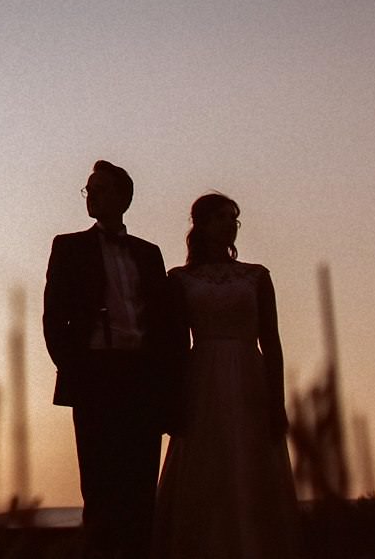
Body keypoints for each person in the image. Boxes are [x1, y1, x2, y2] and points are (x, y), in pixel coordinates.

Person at [150, 192, 303, 559]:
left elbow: (272, 340)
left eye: (233, 219)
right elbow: (174, 345)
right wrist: (176, 400)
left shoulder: (257, 277)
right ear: (201, 226)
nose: (229, 226)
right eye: (220, 218)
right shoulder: (181, 279)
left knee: (251, 464)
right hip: (202, 377)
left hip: (250, 376)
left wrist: (277, 401)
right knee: (207, 466)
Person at [43, 161, 180, 559]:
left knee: (140, 491)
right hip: (96, 376)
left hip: (141, 377)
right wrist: (76, 370)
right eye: (88, 190)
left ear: (123, 197)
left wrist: (165, 383)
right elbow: (54, 317)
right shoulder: (68, 246)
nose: (92, 196)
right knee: (100, 490)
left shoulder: (148, 253)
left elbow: (164, 323)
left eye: (100, 189)